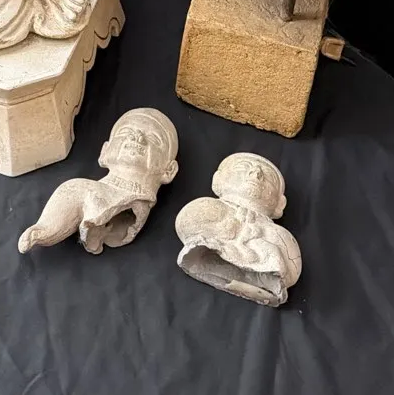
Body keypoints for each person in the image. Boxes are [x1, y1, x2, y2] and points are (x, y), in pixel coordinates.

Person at [18, 109, 179, 254]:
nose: (137, 137)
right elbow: (65, 203)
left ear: (169, 171)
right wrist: (42, 231)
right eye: (125, 132)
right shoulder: (80, 188)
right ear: (104, 152)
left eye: (153, 138)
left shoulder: (85, 189)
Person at [175, 153, 302, 306]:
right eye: (243, 168)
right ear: (218, 180)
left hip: (259, 252)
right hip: (206, 251)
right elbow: (187, 225)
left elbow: (291, 272)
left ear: (280, 204)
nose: (256, 174)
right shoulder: (205, 207)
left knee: (277, 253)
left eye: (268, 179)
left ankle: (257, 281)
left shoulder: (279, 234)